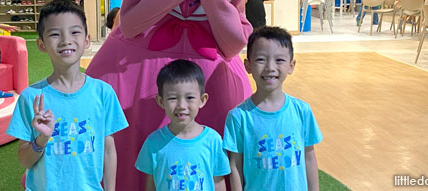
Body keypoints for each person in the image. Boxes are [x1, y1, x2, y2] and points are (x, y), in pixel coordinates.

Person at [6, 0, 128, 191]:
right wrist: (42, 140)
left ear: (86, 40)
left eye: (74, 32)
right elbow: (24, 161)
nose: (66, 40)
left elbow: (108, 150)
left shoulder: (103, 93)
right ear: (41, 44)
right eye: (55, 34)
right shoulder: (31, 97)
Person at [224, 27, 322, 191]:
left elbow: (309, 157)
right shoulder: (238, 117)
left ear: (291, 66)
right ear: (248, 65)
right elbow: (235, 166)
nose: (270, 67)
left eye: (279, 60)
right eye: (261, 59)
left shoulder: (302, 111)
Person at [135, 59, 230, 191]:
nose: (181, 106)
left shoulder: (213, 141)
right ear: (161, 101)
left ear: (202, 100)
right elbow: (150, 185)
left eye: (190, 98)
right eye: (173, 98)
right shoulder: (153, 142)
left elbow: (219, 182)